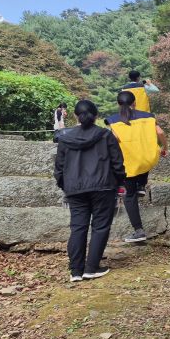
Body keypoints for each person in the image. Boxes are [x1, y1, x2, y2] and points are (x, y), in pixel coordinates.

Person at [54, 100, 126, 282]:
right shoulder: (106, 135)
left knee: (78, 227)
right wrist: (120, 183)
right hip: (103, 186)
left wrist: (66, 185)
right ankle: (91, 268)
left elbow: (59, 168)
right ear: (96, 116)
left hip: (75, 189)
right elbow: (117, 163)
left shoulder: (65, 138)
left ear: (76, 116)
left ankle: (75, 271)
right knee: (100, 227)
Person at [106, 91, 167, 243]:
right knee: (144, 161)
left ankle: (138, 231)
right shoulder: (148, 116)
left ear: (118, 104)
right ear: (135, 103)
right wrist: (164, 147)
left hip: (127, 163)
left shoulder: (113, 120)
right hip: (145, 159)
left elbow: (114, 140)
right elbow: (160, 132)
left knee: (129, 196)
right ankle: (141, 184)